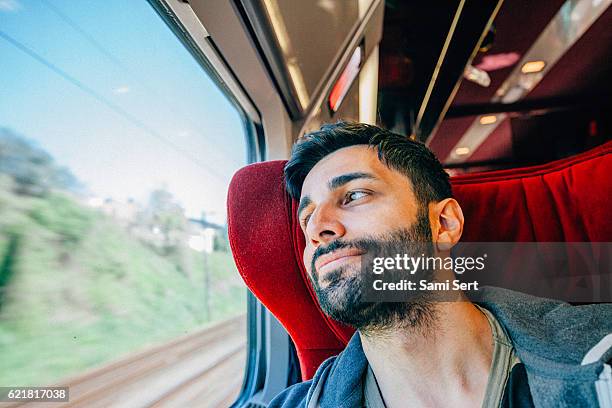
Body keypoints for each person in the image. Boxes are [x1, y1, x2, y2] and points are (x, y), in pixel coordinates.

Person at [269, 122, 612, 408]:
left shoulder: (600, 352)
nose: (317, 229)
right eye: (307, 217)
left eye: (355, 195)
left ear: (444, 224)